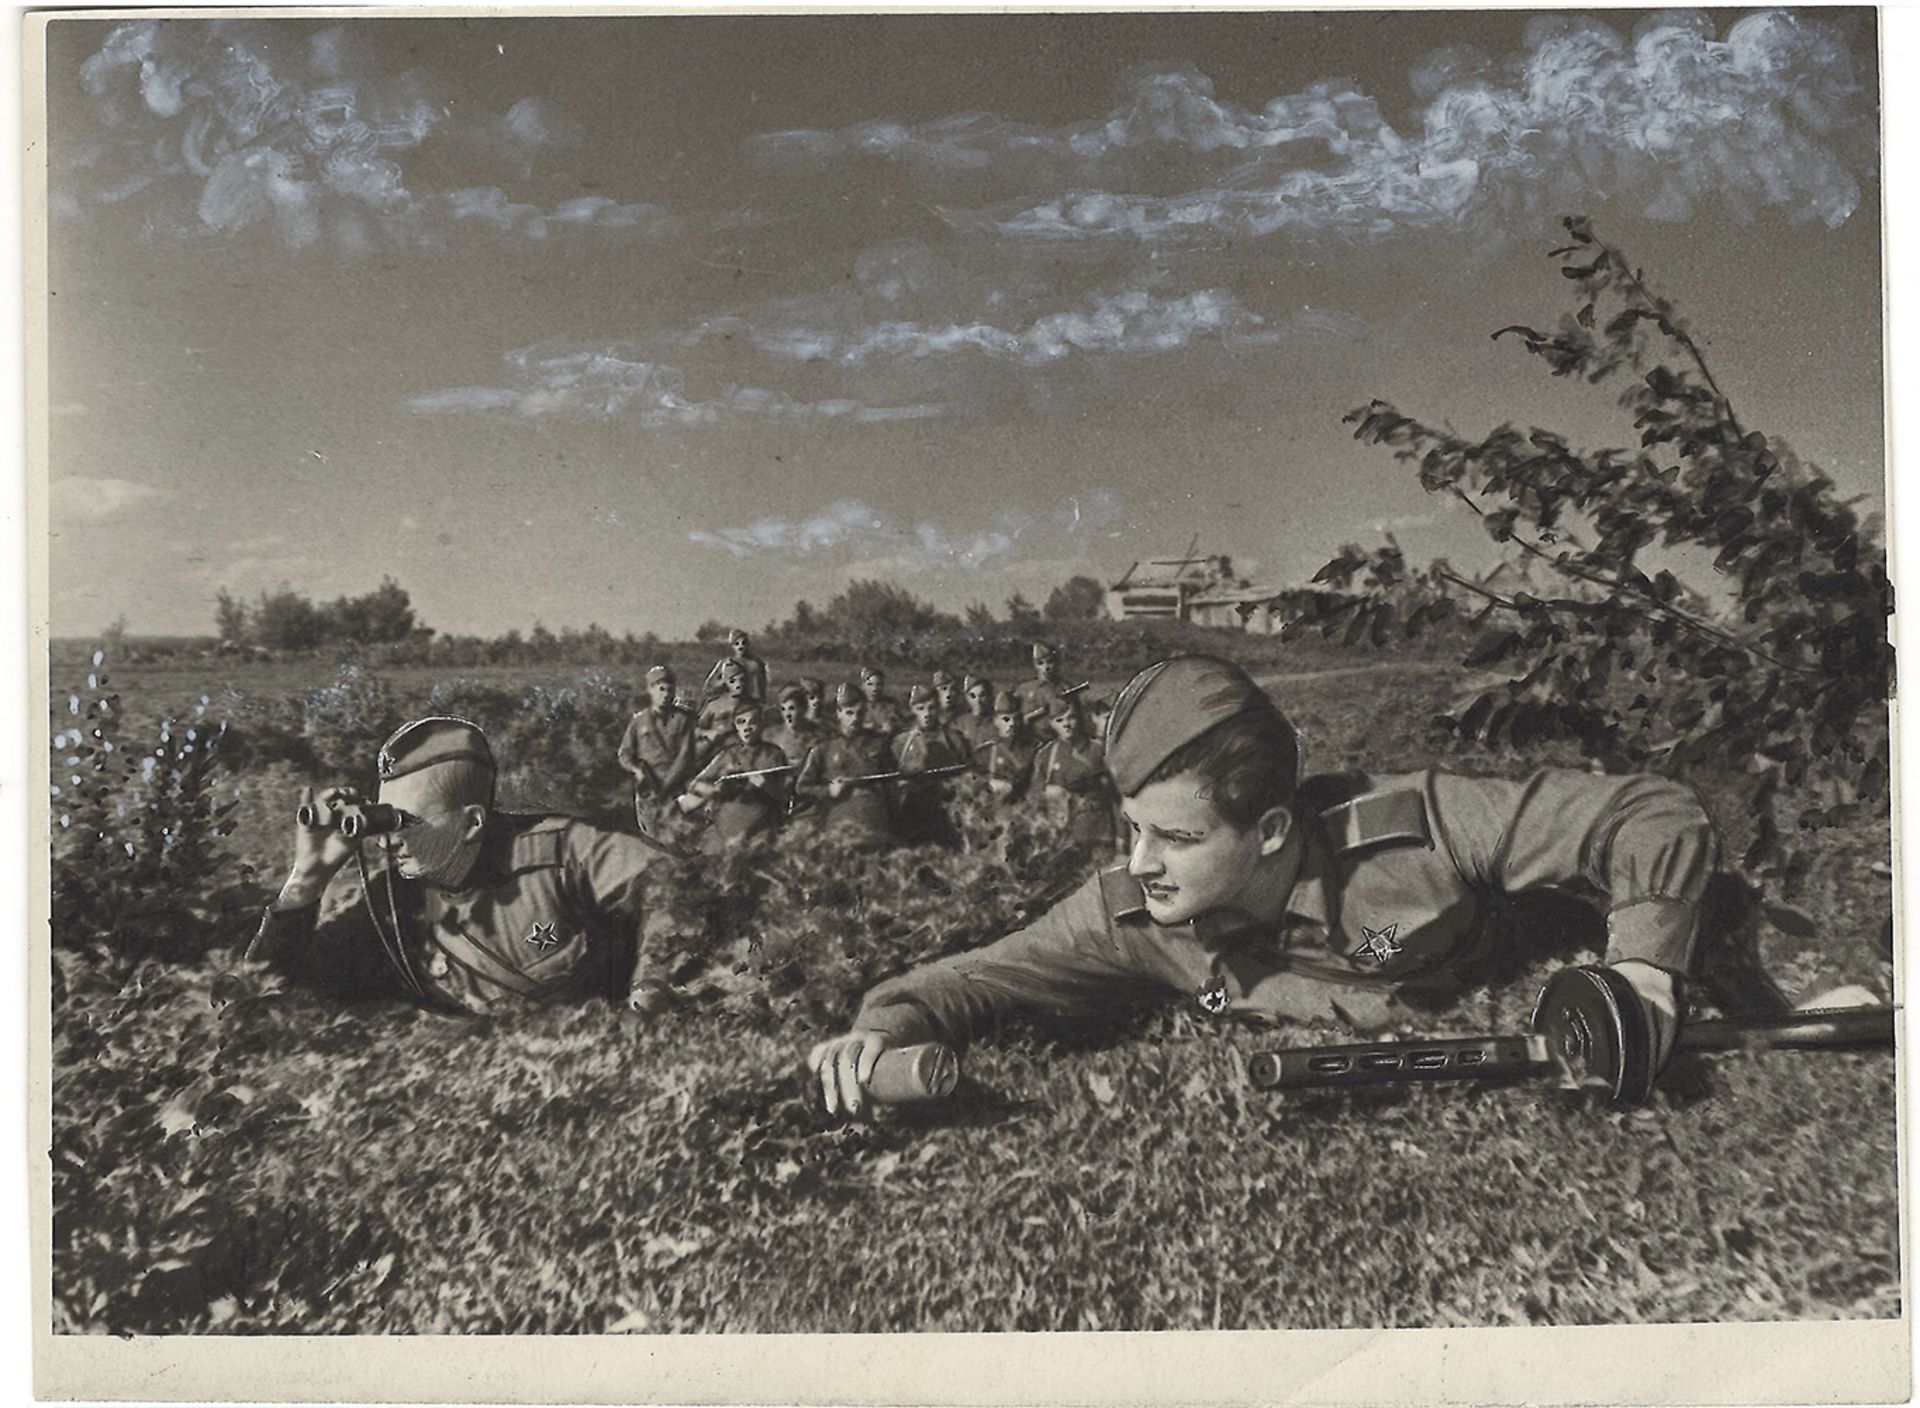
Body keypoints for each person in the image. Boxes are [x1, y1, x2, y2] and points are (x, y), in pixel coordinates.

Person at [808, 654, 1717, 1117]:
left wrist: (1641, 971)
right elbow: (974, 978)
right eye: (1134, 829)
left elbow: (1652, 814)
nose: (1141, 862)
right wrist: (878, 1033)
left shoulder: (1417, 825)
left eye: (1178, 836)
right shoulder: (1136, 911)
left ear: (1272, 830)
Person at [246, 716, 674, 1017]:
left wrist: (650, 988)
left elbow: (676, 886)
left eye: (407, 822)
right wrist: (308, 877)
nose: (388, 837)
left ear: (472, 822)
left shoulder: (562, 853)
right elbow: (275, 992)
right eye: (382, 819)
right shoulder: (393, 902)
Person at [794, 682, 898, 850]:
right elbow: (802, 786)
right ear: (838, 713)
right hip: (839, 823)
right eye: (849, 713)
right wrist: (828, 791)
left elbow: (892, 787)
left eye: (860, 713)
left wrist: (893, 825)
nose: (855, 719)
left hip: (874, 823)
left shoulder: (878, 745)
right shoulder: (823, 747)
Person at [678, 700, 791, 854]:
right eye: (741, 722)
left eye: (753, 722)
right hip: (727, 821)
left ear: (762, 724)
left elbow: (786, 797)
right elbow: (699, 784)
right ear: (736, 727)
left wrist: (766, 787)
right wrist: (716, 789)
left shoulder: (773, 754)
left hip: (761, 824)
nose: (747, 728)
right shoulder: (728, 754)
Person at [1031, 694, 1118, 862]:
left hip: (1098, 833)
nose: (1066, 724)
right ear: (1051, 723)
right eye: (1059, 720)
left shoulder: (1098, 750)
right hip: (1061, 836)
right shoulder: (1045, 755)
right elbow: (1035, 800)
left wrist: (1121, 838)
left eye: (1070, 718)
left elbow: (1116, 797)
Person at [616, 665, 699, 831]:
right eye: (661, 689)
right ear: (650, 690)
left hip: (679, 789)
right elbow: (625, 753)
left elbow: (686, 755)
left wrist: (668, 786)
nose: (666, 694)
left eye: (670, 689)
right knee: (652, 838)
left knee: (682, 836)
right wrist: (636, 769)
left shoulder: (684, 719)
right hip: (649, 793)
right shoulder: (639, 721)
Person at [890, 683, 971, 848]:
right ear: (912, 709)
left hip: (947, 811)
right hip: (913, 813)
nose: (926, 714)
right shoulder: (901, 743)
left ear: (938, 708)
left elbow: (968, 774)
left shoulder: (954, 739)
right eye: (920, 708)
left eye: (931, 708)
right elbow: (890, 780)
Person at [976, 688, 1039, 802]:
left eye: (1016, 718)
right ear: (996, 721)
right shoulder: (985, 753)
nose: (1012, 723)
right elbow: (974, 785)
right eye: (1006, 719)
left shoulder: (1032, 750)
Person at [1015, 641, 1084, 730]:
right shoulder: (1024, 689)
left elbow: (1078, 720)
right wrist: (1037, 713)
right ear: (1034, 665)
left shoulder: (1066, 688)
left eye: (1050, 662)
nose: (1046, 667)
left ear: (1057, 663)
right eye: (1040, 663)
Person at [696, 661, 753, 758]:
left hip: (741, 749)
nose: (738, 684)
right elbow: (695, 729)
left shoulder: (751, 705)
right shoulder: (715, 705)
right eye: (732, 681)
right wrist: (709, 734)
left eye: (742, 680)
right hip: (714, 747)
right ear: (725, 682)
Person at [702, 627, 769, 706]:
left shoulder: (757, 663)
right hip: (731, 703)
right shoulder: (725, 663)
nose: (741, 646)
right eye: (736, 643)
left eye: (743, 643)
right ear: (732, 646)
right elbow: (708, 688)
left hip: (752, 703)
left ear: (748, 645)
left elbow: (762, 685)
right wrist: (724, 681)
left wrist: (762, 700)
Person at [764, 683, 822, 766]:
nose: (787, 714)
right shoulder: (770, 736)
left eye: (792, 708)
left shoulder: (817, 736)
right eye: (783, 709)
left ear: (803, 709)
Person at [954, 674, 998, 754]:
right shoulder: (960, 723)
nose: (978, 701)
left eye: (982, 695)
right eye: (972, 696)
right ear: (966, 697)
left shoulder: (997, 721)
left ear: (990, 696)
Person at [857, 665, 903, 739]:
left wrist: (893, 726)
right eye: (870, 684)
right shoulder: (856, 705)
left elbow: (902, 724)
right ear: (862, 686)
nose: (875, 689)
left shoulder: (891, 705)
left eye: (879, 684)